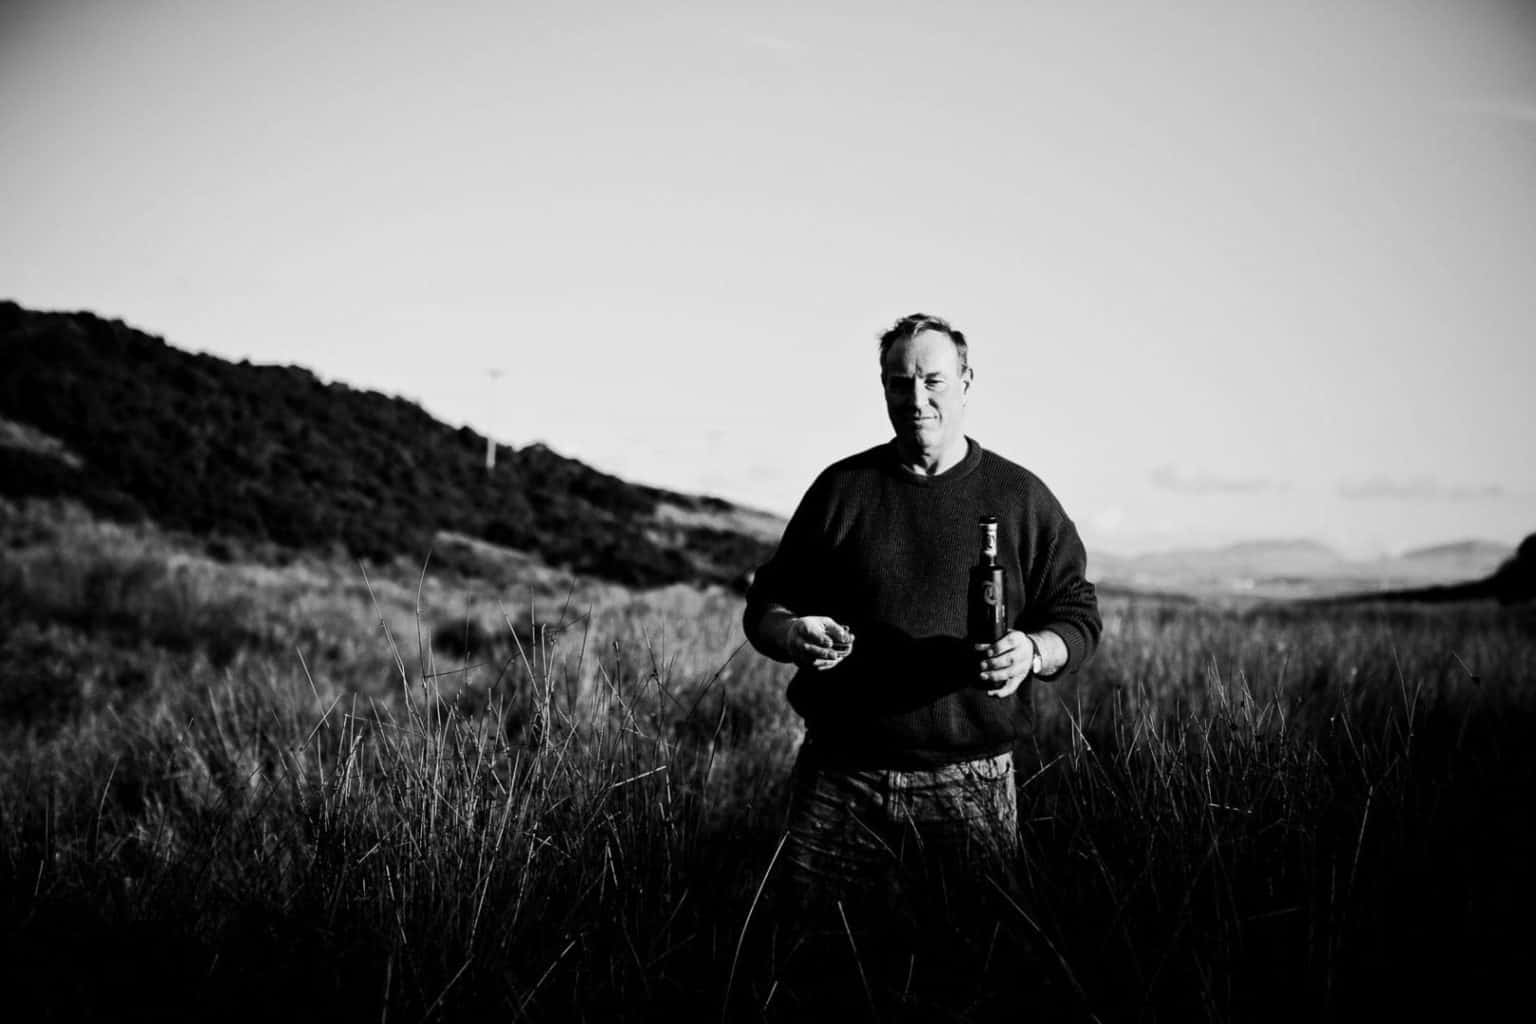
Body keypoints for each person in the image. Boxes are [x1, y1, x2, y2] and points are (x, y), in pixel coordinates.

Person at [742, 312, 1102, 955]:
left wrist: (1034, 651)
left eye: (933, 380)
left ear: (966, 382)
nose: (916, 399)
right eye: (898, 382)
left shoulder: (1021, 497)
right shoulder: (842, 490)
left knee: (975, 967)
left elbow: (1076, 612)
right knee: (810, 961)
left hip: (971, 783)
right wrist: (793, 633)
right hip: (840, 779)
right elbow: (766, 606)